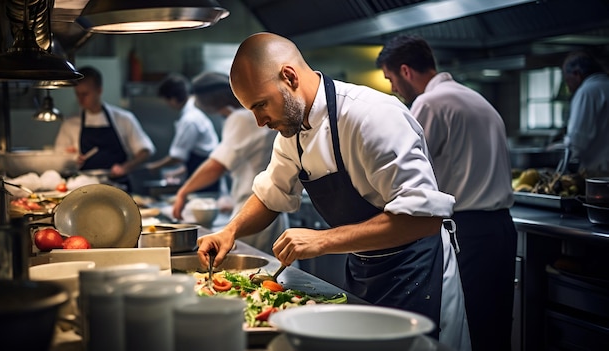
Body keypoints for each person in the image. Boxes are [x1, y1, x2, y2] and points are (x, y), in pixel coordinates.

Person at [196, 32, 471, 350]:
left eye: (260, 105)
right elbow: (271, 193)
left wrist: (322, 241)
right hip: (363, 268)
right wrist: (229, 232)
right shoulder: (291, 130)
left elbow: (423, 219)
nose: (259, 121)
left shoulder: (371, 116)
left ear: (289, 77)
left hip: (418, 272)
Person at [376, 34, 517, 351]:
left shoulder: (429, 103)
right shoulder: (475, 98)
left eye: (391, 79)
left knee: (467, 327)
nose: (394, 88)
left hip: (467, 231)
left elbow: (406, 169)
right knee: (494, 326)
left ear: (405, 70)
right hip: (501, 229)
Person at [171, 71, 287, 255]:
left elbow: (217, 165)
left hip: (253, 210)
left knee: (251, 274)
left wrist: (183, 192)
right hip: (266, 209)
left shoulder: (242, 118)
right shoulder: (252, 115)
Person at [55, 66, 155, 191]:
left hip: (119, 188)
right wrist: (71, 159)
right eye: (77, 94)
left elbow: (145, 151)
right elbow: (58, 158)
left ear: (99, 90)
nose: (80, 99)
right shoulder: (70, 124)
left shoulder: (123, 119)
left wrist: (125, 167)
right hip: (83, 189)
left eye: (85, 94)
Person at [145, 73, 220, 193]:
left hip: (207, 180)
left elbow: (178, 157)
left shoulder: (189, 120)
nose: (168, 105)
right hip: (204, 173)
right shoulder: (193, 115)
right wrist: (177, 172)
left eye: (166, 101)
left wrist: (155, 166)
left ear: (173, 99)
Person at [562, 50, 609, 175]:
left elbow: (577, 141)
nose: (569, 87)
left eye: (568, 81)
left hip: (598, 172)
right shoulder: (605, 85)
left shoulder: (587, 91)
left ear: (577, 74)